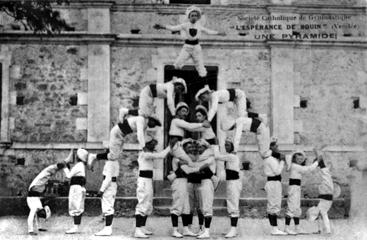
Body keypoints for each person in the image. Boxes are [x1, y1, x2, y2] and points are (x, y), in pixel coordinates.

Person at [154, 5, 225, 82]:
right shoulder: (185, 25)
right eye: (192, 15)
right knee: (177, 63)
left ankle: (206, 87)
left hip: (196, 48)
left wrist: (219, 33)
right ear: (189, 16)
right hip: (187, 47)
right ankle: (175, 81)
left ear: (198, 17)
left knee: (201, 68)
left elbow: (209, 31)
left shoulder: (199, 26)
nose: (194, 17)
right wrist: (162, 27)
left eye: (195, 15)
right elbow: (173, 28)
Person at [88, 115, 162, 169]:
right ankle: (94, 156)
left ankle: (96, 157)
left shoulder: (144, 125)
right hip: (117, 133)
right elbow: (140, 135)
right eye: (154, 124)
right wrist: (144, 148)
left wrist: (151, 146)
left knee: (115, 155)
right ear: (151, 120)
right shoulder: (141, 120)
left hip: (121, 135)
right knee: (113, 156)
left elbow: (144, 137)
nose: (154, 126)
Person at [26, 151, 72, 235]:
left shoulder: (38, 207)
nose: (42, 214)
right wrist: (30, 231)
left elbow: (36, 215)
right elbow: (31, 217)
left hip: (35, 195)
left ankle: (39, 227)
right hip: (33, 194)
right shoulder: (48, 171)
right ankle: (32, 229)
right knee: (34, 212)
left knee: (36, 212)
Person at [134, 137, 171, 238]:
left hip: (148, 181)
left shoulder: (148, 153)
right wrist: (170, 146)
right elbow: (162, 155)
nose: (154, 146)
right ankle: (137, 230)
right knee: (142, 204)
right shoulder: (144, 154)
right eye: (152, 144)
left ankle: (142, 227)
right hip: (144, 181)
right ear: (146, 145)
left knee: (148, 204)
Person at [284, 150, 319, 235]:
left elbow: (307, 168)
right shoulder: (295, 166)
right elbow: (308, 169)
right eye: (298, 159)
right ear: (294, 159)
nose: (300, 161)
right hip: (293, 188)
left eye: (301, 159)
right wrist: (317, 162)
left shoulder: (296, 166)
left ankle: (297, 228)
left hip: (297, 188)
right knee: (291, 207)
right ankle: (287, 228)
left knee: (296, 209)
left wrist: (315, 162)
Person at [169, 138, 197, 238]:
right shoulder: (178, 158)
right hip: (178, 182)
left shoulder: (185, 158)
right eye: (188, 147)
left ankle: (185, 229)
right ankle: (175, 230)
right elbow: (187, 169)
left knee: (186, 207)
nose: (190, 149)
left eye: (191, 147)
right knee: (177, 206)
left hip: (184, 182)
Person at [215, 139, 242, 238]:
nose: (226, 147)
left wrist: (215, 146)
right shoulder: (231, 156)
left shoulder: (231, 156)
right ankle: (232, 228)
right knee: (231, 203)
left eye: (228, 145)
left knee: (233, 204)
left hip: (234, 183)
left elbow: (217, 156)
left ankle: (233, 230)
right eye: (225, 145)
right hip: (231, 182)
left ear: (232, 147)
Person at [306, 149, 334, 235]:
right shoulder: (324, 173)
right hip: (324, 197)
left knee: (323, 213)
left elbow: (320, 160)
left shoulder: (325, 172)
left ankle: (328, 231)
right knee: (321, 213)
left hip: (326, 197)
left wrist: (316, 152)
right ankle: (320, 230)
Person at [94, 150, 120, 236]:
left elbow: (108, 178)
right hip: (112, 184)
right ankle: (108, 227)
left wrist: (101, 190)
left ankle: (107, 228)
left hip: (109, 185)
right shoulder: (115, 162)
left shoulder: (110, 163)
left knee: (107, 206)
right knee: (109, 205)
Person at [64, 149, 88, 234]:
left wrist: (64, 167)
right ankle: (76, 226)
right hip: (79, 187)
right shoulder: (81, 165)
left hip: (76, 188)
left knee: (75, 206)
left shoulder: (78, 165)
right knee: (78, 206)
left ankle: (75, 226)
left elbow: (68, 175)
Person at [263, 152, 286, 235]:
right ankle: (274, 229)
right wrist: (282, 161)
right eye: (275, 146)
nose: (277, 148)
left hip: (274, 182)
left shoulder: (272, 159)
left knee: (274, 205)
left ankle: (274, 228)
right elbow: (277, 172)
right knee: (273, 205)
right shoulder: (270, 159)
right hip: (273, 183)